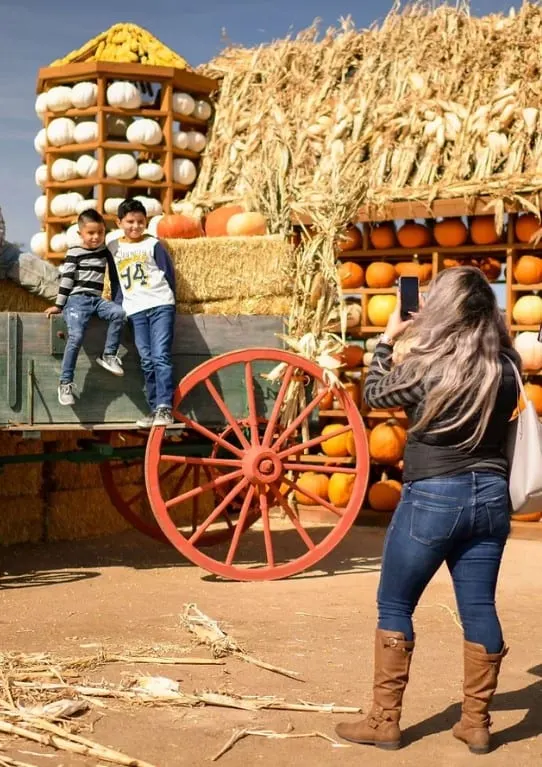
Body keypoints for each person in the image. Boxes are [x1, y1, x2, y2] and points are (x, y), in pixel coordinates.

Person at [335, 266, 519, 754]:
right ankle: (477, 723)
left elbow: (374, 393)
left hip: (434, 496)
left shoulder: (426, 367)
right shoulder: (507, 364)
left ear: (442, 309)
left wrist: (387, 339)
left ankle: (384, 720)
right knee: (479, 605)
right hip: (492, 497)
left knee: (395, 604)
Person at [46, 209, 126, 406]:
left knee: (119, 313)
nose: (96, 237)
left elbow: (116, 278)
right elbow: (66, 280)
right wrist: (59, 305)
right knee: (76, 336)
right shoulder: (74, 253)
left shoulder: (104, 252)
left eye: (100, 232)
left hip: (96, 301)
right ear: (80, 233)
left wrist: (117, 301)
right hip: (76, 301)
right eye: (91, 233)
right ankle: (65, 383)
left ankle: (108, 354)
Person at [108, 199, 176, 428]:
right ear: (119, 222)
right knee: (146, 360)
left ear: (146, 222)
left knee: (160, 356)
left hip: (160, 305)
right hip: (135, 310)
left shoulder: (153, 244)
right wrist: (118, 307)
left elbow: (168, 274)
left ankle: (165, 407)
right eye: (130, 222)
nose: (135, 226)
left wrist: (170, 300)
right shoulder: (113, 248)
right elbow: (116, 282)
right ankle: (154, 407)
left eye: (140, 221)